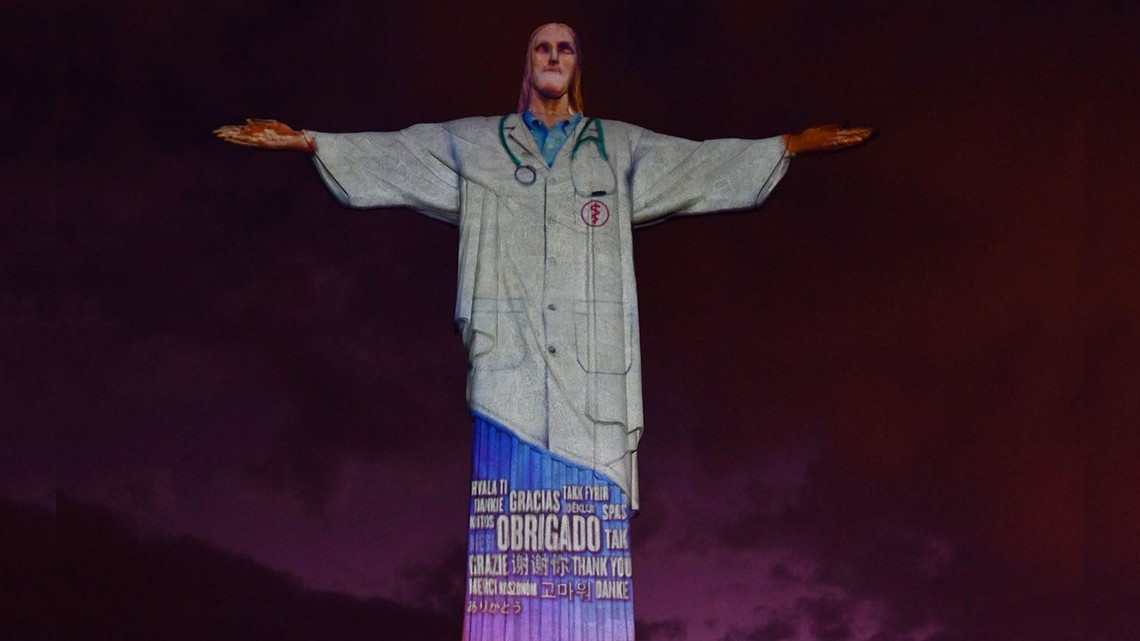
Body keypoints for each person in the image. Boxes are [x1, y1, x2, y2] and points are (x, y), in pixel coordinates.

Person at [216, 22, 871, 641]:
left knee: (591, 562)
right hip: (512, 374)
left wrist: (786, 146)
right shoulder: (476, 142)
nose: (554, 57)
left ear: (576, 65)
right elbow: (399, 151)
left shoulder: (616, 146)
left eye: (564, 48)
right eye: (541, 48)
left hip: (594, 385)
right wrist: (308, 140)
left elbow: (697, 166)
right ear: (526, 65)